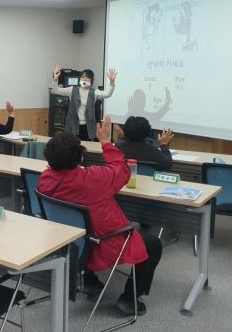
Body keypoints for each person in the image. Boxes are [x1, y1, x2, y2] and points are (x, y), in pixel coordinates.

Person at [38, 117, 162, 315]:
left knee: (84, 224)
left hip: (69, 243)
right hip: (101, 242)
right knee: (153, 244)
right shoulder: (94, 178)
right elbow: (122, 170)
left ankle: (90, 280)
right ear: (80, 159)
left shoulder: (45, 179)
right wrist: (105, 141)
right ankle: (130, 299)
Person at [51, 66, 117, 141]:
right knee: (71, 145)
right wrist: (55, 79)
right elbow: (55, 91)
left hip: (87, 127)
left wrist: (112, 82)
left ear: (92, 80)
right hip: (72, 126)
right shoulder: (72, 89)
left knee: (86, 146)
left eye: (87, 78)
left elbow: (107, 94)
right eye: (82, 77)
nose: (84, 79)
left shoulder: (94, 92)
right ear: (80, 79)